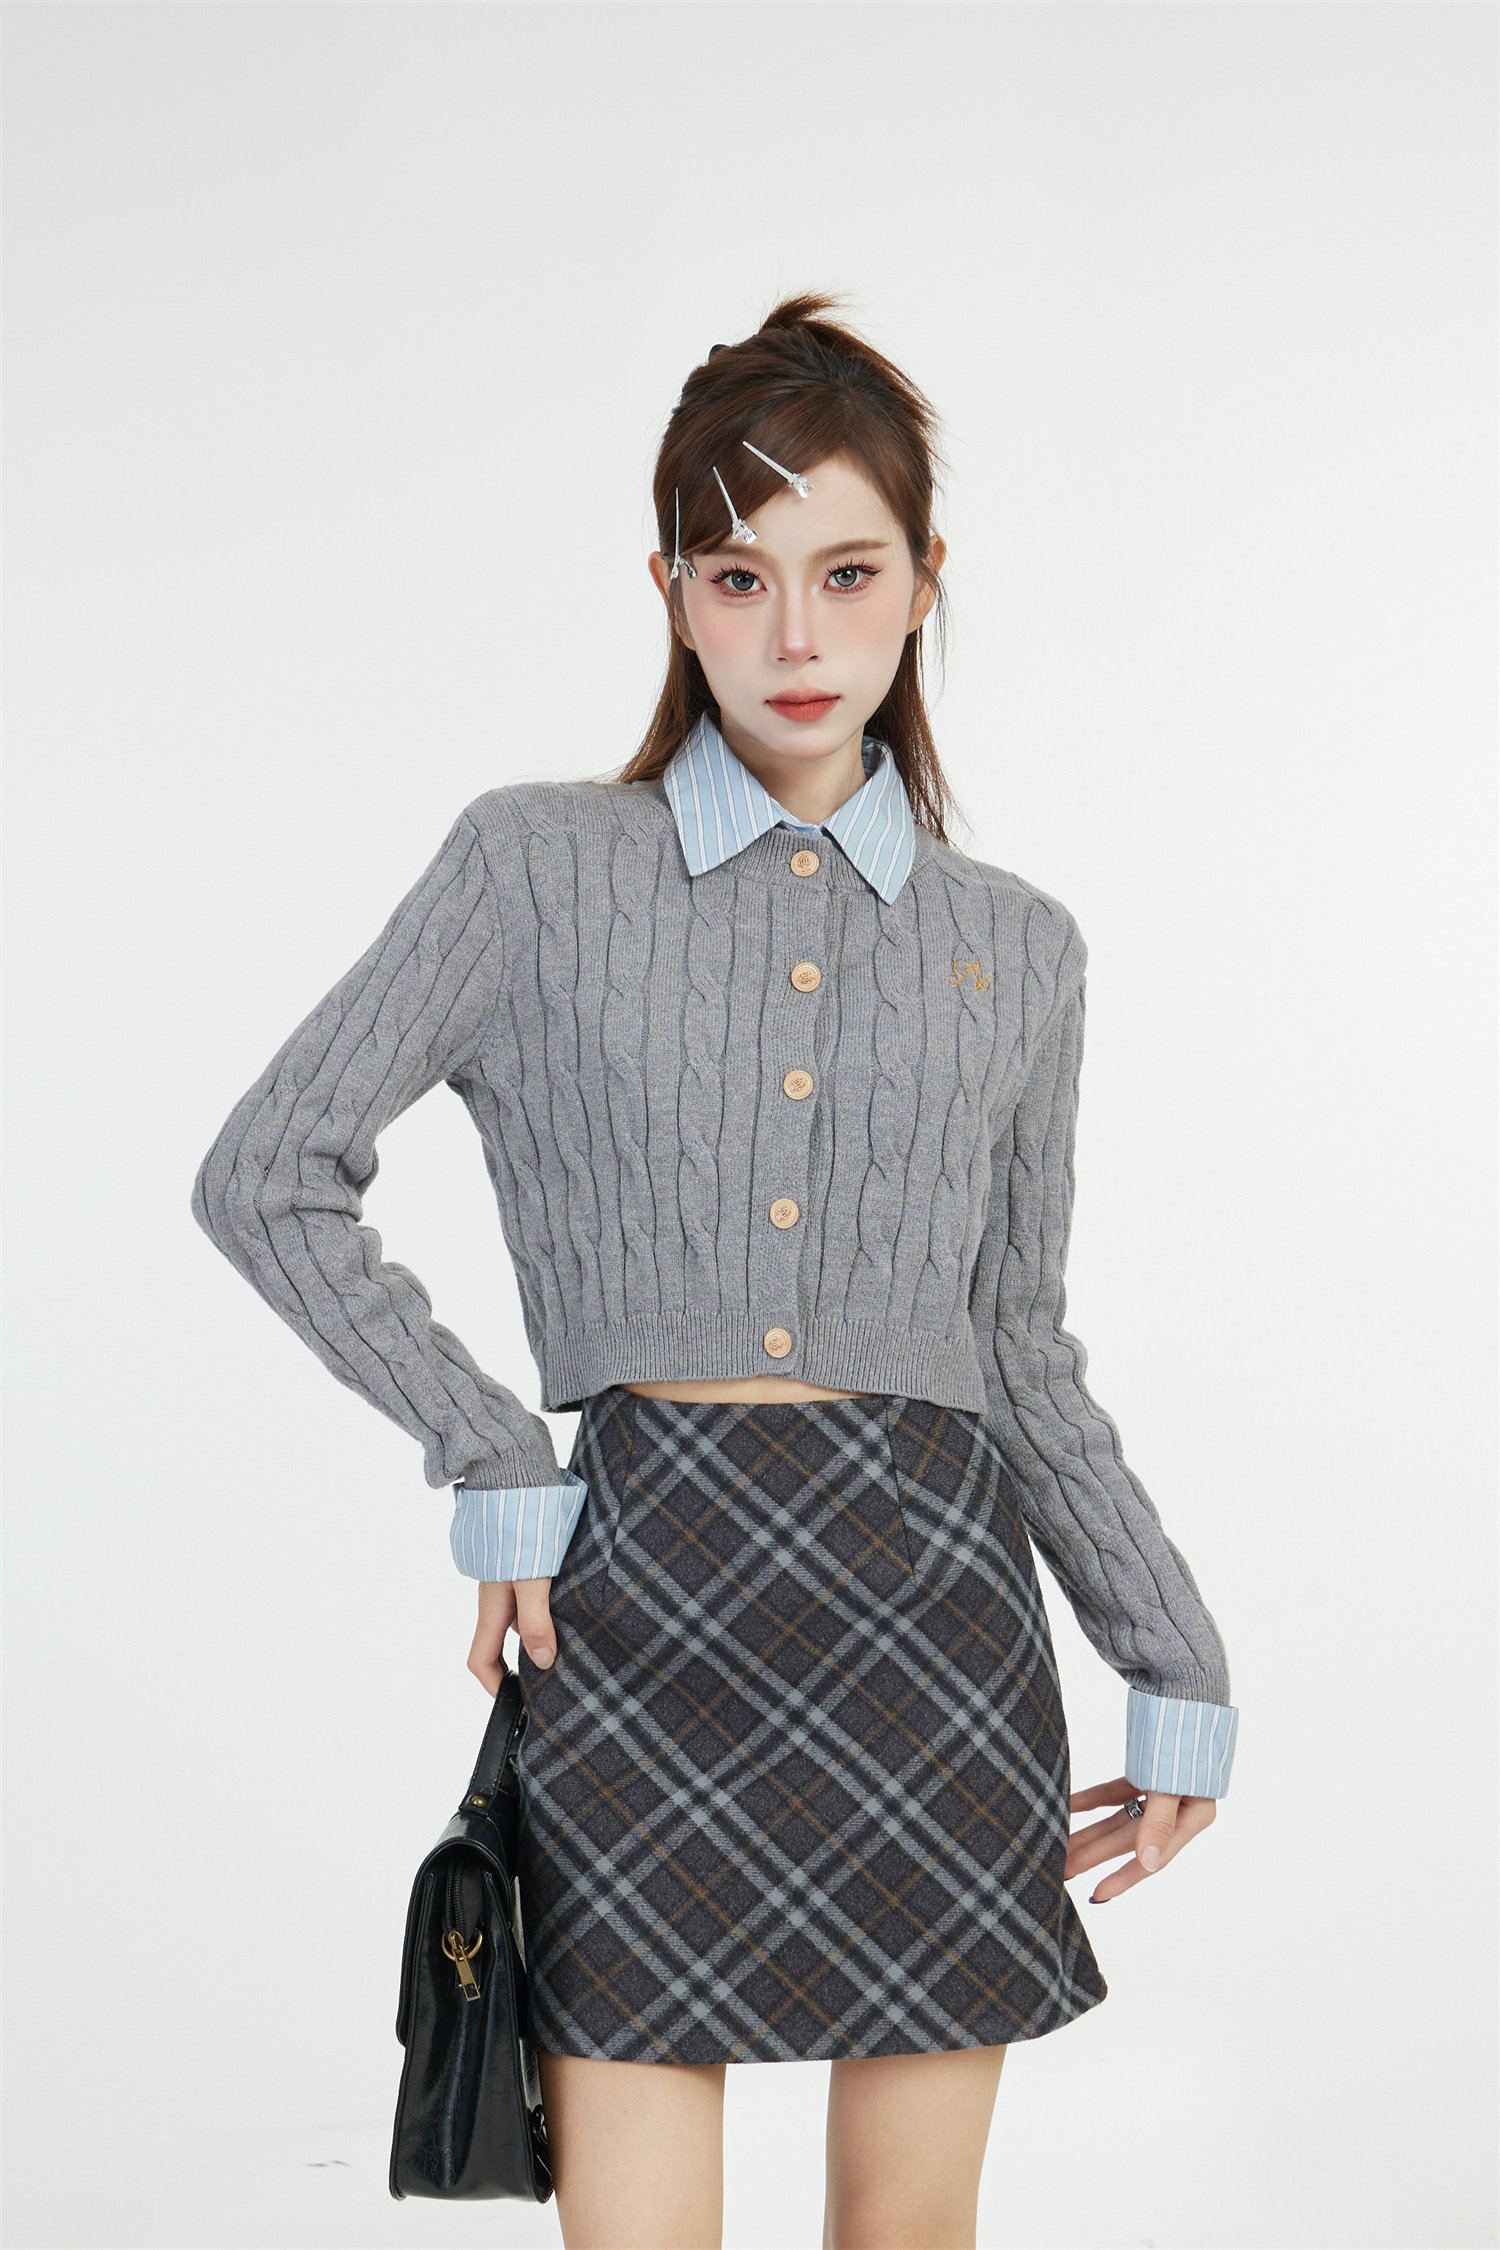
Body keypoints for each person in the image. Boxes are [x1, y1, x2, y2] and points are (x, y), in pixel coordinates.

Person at [191, 292, 1239, 2250]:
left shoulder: (1023, 946)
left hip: (937, 1625)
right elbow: (269, 1175)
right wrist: (493, 1454)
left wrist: (1174, 1662)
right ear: (671, 591)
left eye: (848, 572)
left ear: (927, 580)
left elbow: (1020, 1351)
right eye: (740, 577)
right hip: (638, 1606)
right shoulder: (534, 869)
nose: (798, 637)